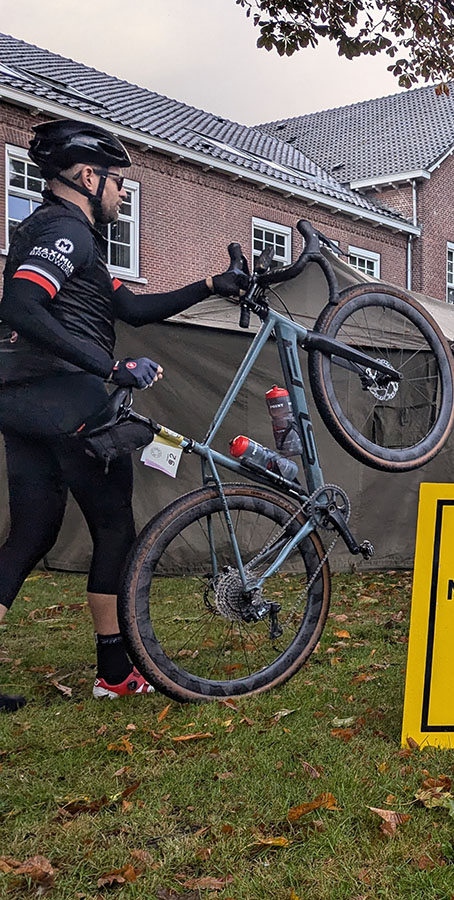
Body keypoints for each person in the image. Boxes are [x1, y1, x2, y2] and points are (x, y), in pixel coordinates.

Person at [0, 119, 248, 712]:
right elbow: (20, 306)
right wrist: (109, 370)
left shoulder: (55, 232)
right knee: (116, 531)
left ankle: (111, 669)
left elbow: (131, 308)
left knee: (30, 534)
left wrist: (212, 284)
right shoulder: (66, 231)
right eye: (117, 183)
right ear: (88, 176)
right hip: (71, 399)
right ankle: (114, 671)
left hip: (20, 401)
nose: (120, 194)